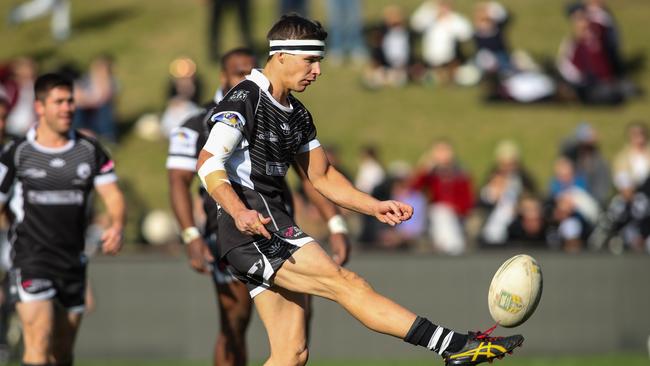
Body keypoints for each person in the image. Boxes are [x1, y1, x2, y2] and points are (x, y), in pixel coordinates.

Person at [196, 14, 522, 366]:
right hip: (254, 230)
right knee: (346, 282)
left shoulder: (297, 113)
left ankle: (453, 346)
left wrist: (374, 206)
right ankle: (452, 345)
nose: (317, 71)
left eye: (319, 61)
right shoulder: (245, 98)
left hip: (271, 225)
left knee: (291, 355)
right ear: (281, 55)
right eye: (310, 60)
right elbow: (209, 161)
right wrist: (239, 210)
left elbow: (322, 176)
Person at [167, 48, 350, 366]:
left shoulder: (278, 110)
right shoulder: (197, 123)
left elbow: (312, 176)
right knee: (235, 321)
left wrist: (335, 224)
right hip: (233, 228)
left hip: (280, 225)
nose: (245, 78)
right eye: (237, 73)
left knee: (299, 328)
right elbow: (178, 181)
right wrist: (190, 235)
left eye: (248, 71)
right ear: (223, 76)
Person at [0, 73, 125, 366]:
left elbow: (113, 196)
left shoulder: (89, 150)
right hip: (31, 260)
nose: (67, 107)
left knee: (63, 353)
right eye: (59, 102)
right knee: (38, 343)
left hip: (72, 263)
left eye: (70, 101)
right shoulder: (16, 154)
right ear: (40, 107)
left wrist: (117, 224)